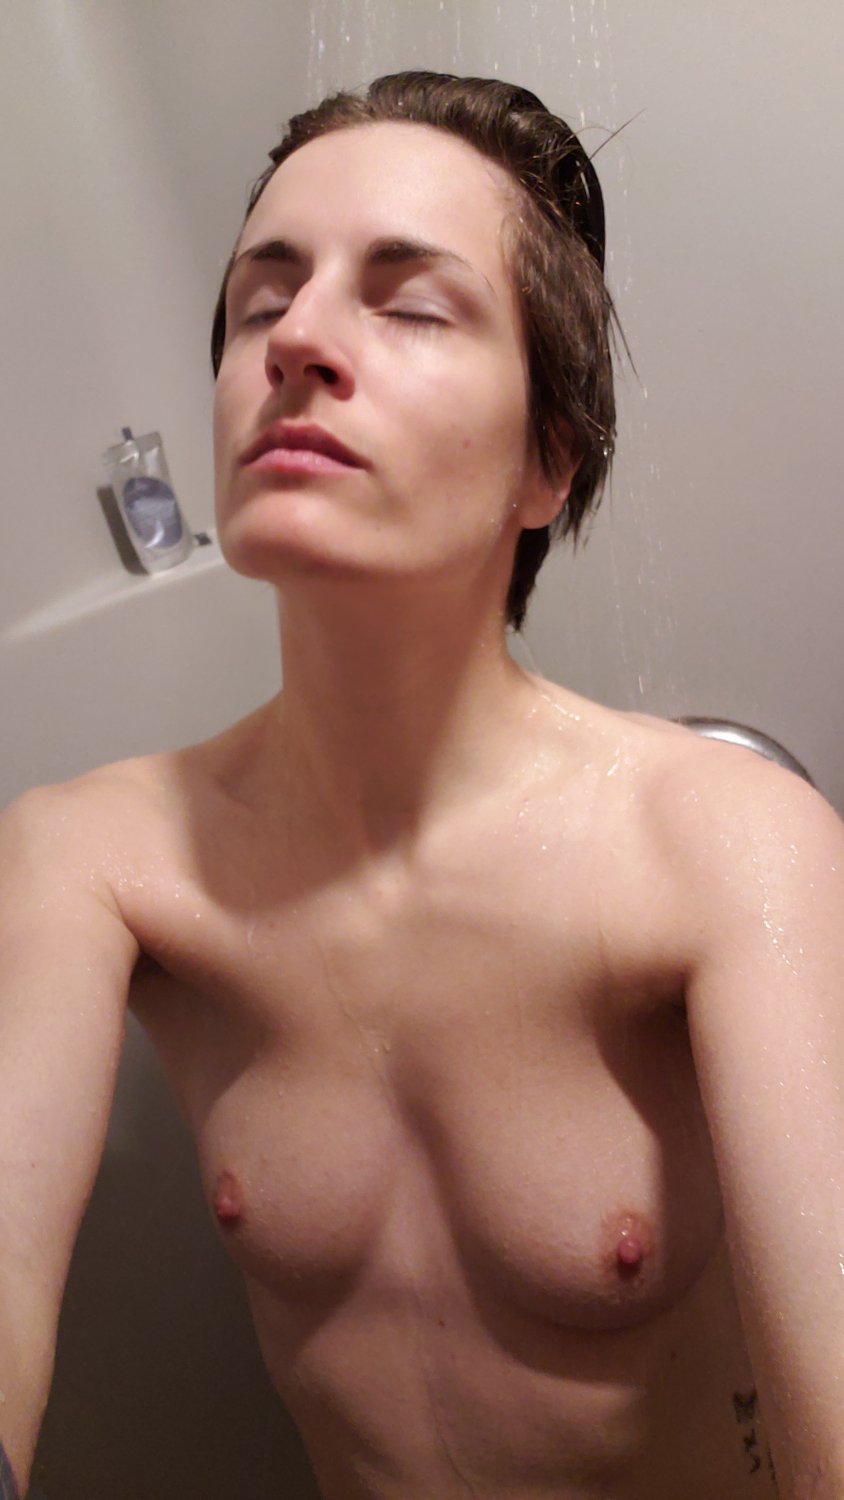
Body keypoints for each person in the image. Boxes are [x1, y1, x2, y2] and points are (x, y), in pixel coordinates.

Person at [1, 69, 843, 1500]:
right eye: (261, 302)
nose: (297, 340)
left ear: (548, 461)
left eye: (410, 305)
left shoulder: (722, 847)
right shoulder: (93, 860)